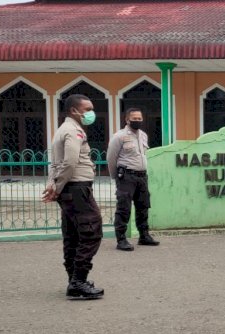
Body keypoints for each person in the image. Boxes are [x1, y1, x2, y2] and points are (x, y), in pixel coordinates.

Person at [41, 94, 104, 300]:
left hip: (70, 188)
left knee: (73, 235)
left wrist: (53, 185)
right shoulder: (72, 131)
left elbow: (55, 162)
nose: (91, 113)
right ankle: (78, 281)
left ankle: (74, 281)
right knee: (91, 231)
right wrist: (56, 188)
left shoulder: (62, 130)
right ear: (73, 111)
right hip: (76, 188)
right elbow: (69, 163)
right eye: (87, 109)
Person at [106, 108, 160, 251]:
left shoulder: (143, 135)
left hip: (142, 176)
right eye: (134, 118)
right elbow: (111, 158)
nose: (137, 121)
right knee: (124, 208)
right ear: (127, 120)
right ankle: (121, 239)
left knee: (143, 206)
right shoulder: (119, 136)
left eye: (139, 118)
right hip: (126, 176)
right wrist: (115, 177)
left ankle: (144, 236)